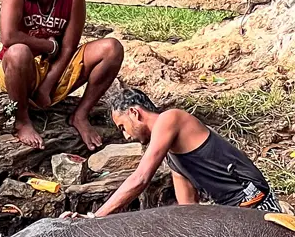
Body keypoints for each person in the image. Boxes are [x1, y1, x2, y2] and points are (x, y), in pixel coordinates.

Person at [76, 88, 282, 216]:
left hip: (254, 201)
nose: (126, 136)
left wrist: (97, 217)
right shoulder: (173, 157)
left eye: (122, 127)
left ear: (134, 113)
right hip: (231, 210)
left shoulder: (171, 118)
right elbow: (188, 208)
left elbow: (140, 178)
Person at [0, 0, 124, 151]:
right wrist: (49, 45)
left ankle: (80, 115)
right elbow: (8, 37)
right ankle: (22, 121)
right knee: (19, 51)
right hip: (20, 71)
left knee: (112, 48)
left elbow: (68, 48)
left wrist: (47, 86)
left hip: (57, 71)